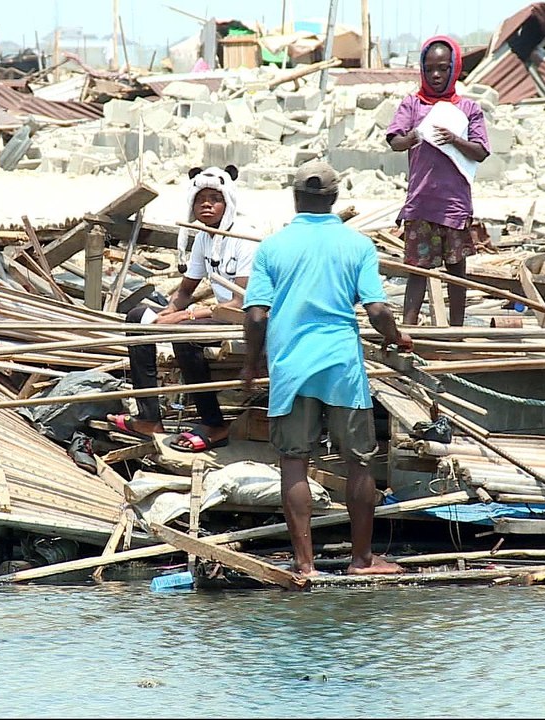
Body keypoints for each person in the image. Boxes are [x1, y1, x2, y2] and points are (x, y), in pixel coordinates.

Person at [241, 160, 413, 577]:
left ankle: (305, 565)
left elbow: (257, 316)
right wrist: (396, 338)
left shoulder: (272, 247)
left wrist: (250, 364)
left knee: (294, 463)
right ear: (334, 198)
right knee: (359, 462)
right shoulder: (357, 245)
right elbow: (376, 309)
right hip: (341, 366)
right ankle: (362, 560)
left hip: (291, 367)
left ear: (295, 196)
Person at [106, 165, 258, 453]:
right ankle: (150, 416)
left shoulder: (244, 237)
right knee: (138, 318)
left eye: (215, 198)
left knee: (185, 334)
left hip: (246, 319)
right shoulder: (203, 236)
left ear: (228, 203)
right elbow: (186, 290)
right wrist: (165, 315)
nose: (207, 204)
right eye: (201, 198)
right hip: (217, 315)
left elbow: (240, 302)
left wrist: (183, 315)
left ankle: (214, 422)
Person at [386, 35, 490, 327]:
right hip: (420, 205)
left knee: (457, 272)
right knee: (418, 272)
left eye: (443, 68)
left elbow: (481, 152)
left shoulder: (468, 109)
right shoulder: (413, 104)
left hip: (454, 206)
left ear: (454, 68)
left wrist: (455, 140)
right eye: (430, 68)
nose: (436, 75)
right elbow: (395, 141)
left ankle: (456, 331)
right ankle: (408, 331)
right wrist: (413, 136)